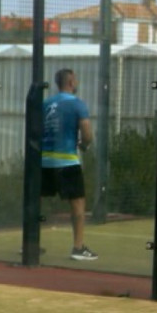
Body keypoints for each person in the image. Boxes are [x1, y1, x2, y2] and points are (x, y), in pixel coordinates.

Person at [42, 68, 96, 261]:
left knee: (37, 203)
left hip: (44, 161)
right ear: (71, 82)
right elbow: (87, 134)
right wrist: (84, 145)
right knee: (78, 204)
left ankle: (31, 244)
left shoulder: (45, 104)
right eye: (76, 79)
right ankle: (78, 248)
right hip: (67, 162)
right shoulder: (77, 104)